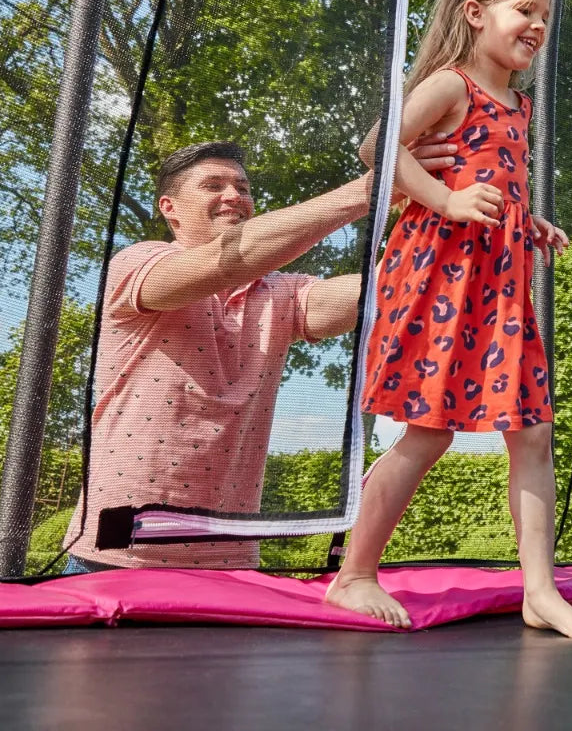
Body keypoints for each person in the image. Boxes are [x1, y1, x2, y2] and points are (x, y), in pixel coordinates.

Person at [325, 0, 572, 639]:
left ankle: (537, 590)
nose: (537, 25)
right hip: (437, 277)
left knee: (532, 430)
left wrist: (524, 220)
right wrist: (446, 201)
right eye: (524, 9)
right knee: (429, 432)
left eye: (545, 14)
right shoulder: (452, 85)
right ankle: (353, 574)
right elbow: (377, 147)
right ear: (476, 14)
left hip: (499, 283)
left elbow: (491, 180)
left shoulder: (519, 104)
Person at [62, 135, 453, 571]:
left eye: (243, 188)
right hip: (117, 553)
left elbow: (390, 290)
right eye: (213, 185)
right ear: (169, 208)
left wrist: (439, 211)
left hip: (231, 559)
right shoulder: (137, 264)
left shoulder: (282, 294)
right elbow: (231, 260)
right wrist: (372, 190)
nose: (234, 196)